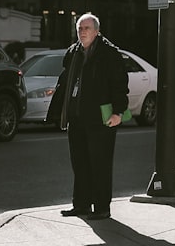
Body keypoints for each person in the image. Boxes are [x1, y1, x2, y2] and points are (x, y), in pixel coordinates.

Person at [47, 12, 128, 220]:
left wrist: (119, 112)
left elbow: (120, 85)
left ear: (97, 31)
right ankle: (81, 204)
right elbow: (66, 81)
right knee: (80, 163)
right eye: (79, 29)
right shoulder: (73, 52)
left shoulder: (109, 54)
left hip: (101, 119)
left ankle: (102, 207)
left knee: (100, 163)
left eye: (87, 28)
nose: (82, 32)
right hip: (77, 117)